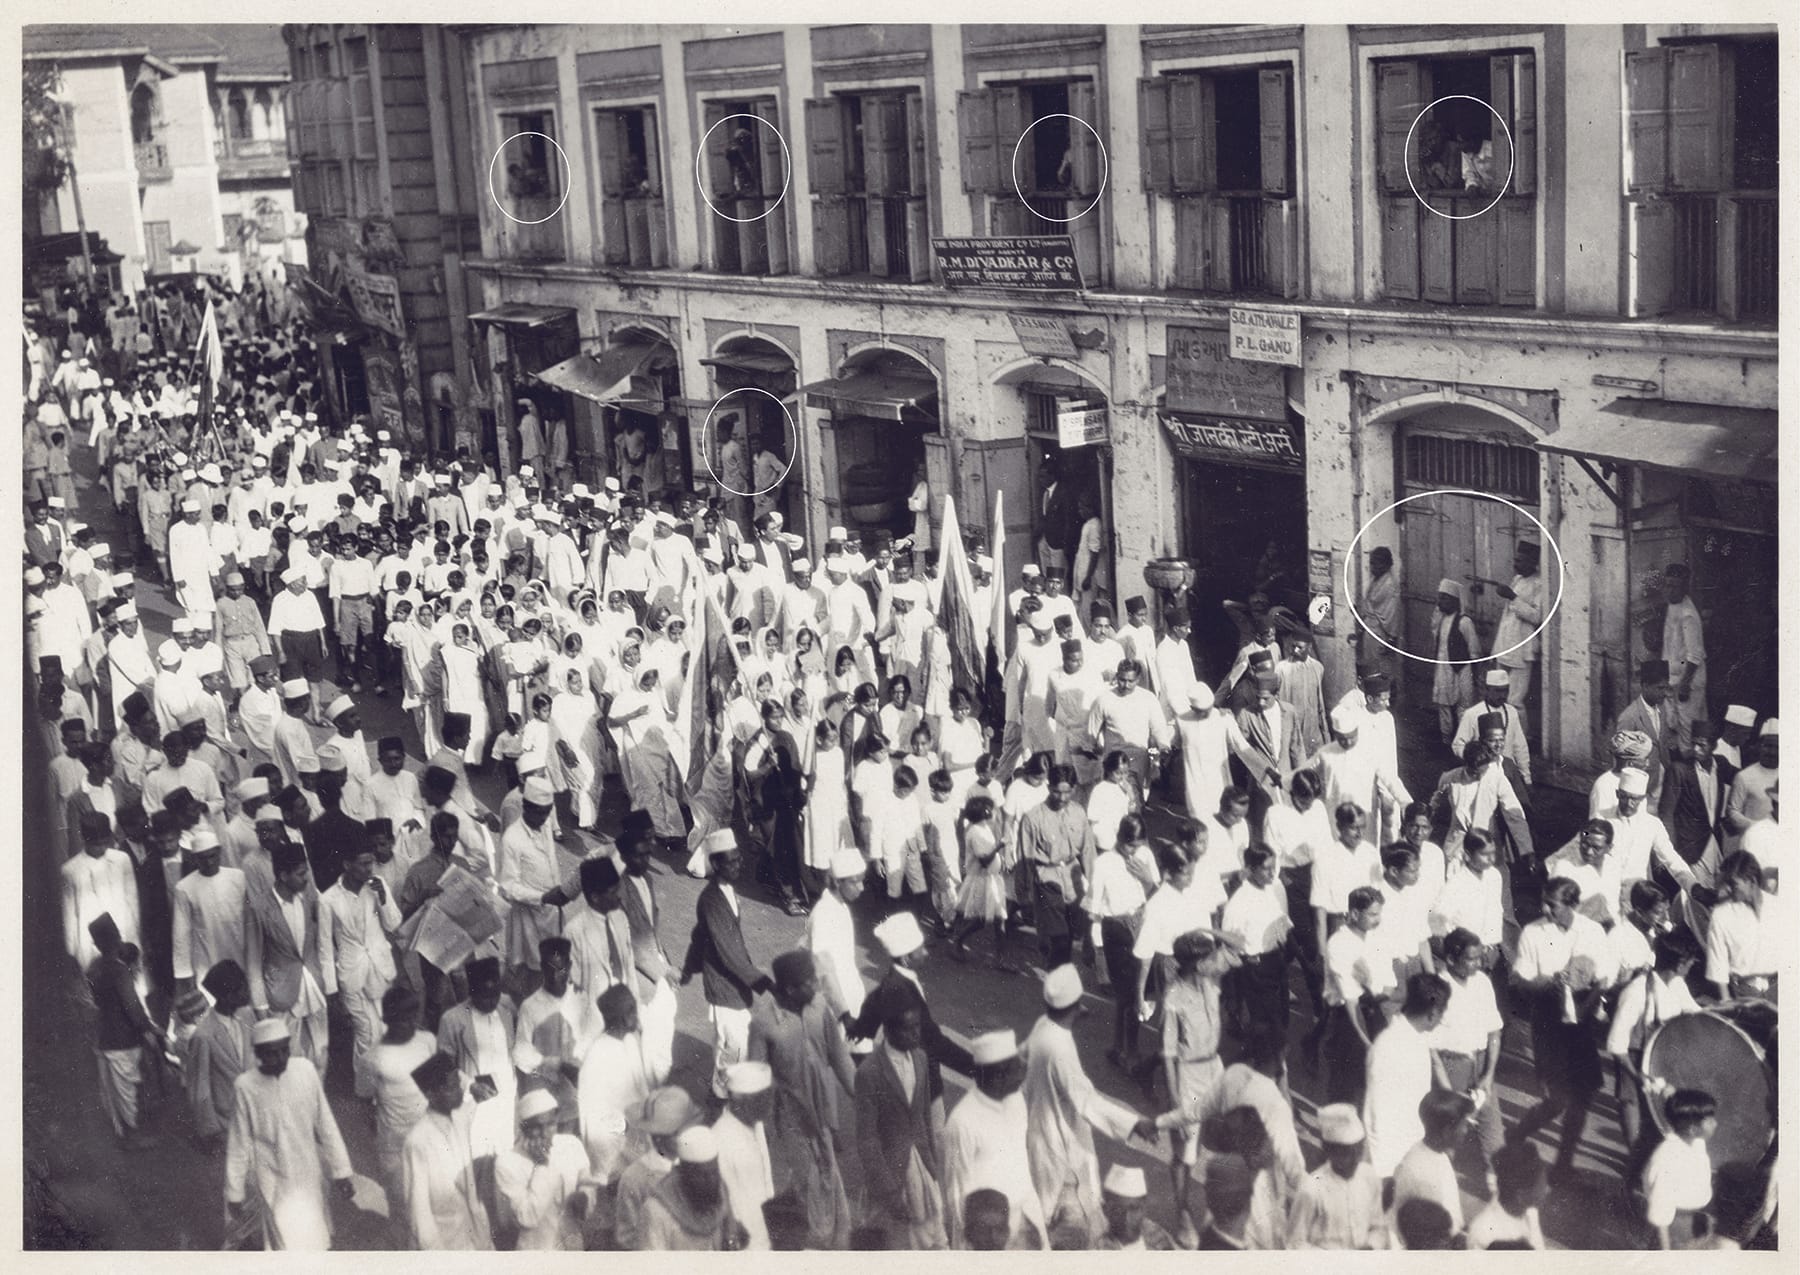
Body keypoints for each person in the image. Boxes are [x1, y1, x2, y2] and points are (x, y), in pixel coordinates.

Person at [1023, 964, 1156, 1246]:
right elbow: (1085, 1099)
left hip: (1042, 1135)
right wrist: (1135, 1123)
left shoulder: (1042, 1027)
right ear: (1075, 1006)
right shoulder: (1058, 1046)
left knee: (1049, 1214)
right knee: (1072, 1221)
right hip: (1059, 1144)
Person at [1510, 876, 1618, 1180]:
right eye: (1544, 902)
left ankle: (1564, 1163)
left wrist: (1586, 1005)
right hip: (1548, 1021)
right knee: (1557, 1099)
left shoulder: (1593, 931)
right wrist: (1549, 983)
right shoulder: (1532, 932)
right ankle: (1518, 1134)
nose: (1545, 909)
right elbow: (1523, 981)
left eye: (1553, 905)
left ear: (1572, 904)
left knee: (1583, 1095)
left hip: (1582, 1022)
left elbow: (1605, 978)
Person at [747, 950, 855, 1248]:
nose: (816, 987)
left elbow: (840, 1058)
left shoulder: (820, 1008)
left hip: (823, 1112)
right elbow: (755, 1076)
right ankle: (812, 1246)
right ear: (790, 989)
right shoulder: (763, 1022)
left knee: (828, 1171)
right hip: (790, 1118)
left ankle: (834, 1240)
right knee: (808, 1178)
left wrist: (864, 1098)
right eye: (809, 983)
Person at [224, 1017, 355, 1251]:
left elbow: (326, 1123)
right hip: (272, 1181)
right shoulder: (245, 1086)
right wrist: (235, 1192)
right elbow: (238, 1144)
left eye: (284, 1050)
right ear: (258, 1054)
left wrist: (341, 1172)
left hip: (308, 1175)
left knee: (316, 1238)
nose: (280, 1058)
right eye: (271, 1053)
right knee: (284, 1243)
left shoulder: (305, 1070)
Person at [681, 830, 771, 1098]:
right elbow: (729, 952)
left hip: (734, 983)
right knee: (734, 1042)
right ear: (716, 865)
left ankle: (721, 1087)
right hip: (723, 984)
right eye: (730, 862)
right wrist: (766, 985)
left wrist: (688, 967)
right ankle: (720, 1093)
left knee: (731, 1041)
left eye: (738, 859)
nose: (738, 865)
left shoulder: (729, 891)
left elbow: (699, 936)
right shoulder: (711, 900)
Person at [942, 1029, 1049, 1249]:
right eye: (1017, 1067)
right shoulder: (962, 1122)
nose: (1023, 1070)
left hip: (1026, 1221)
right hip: (987, 1237)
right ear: (999, 1075)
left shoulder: (1017, 1100)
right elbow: (956, 1194)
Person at [854, 1002, 946, 1250]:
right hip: (890, 1176)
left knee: (931, 1238)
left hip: (922, 1168)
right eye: (908, 1029)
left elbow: (925, 1116)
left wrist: (933, 1168)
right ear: (890, 1031)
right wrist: (889, 1192)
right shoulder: (869, 1072)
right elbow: (867, 1140)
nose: (916, 1033)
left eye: (918, 1026)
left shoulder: (921, 1058)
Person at [318, 842, 401, 1101]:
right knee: (366, 1033)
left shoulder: (377, 887)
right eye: (364, 864)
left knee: (385, 1029)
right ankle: (367, 1091)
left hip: (380, 968)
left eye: (371, 863)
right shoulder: (328, 899)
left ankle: (387, 1088)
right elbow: (324, 947)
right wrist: (331, 991)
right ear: (347, 865)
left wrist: (384, 899)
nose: (369, 868)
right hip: (351, 975)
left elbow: (394, 924)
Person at [243, 839, 331, 1073]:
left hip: (314, 986)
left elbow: (321, 941)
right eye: (301, 874)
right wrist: (260, 1008)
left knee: (321, 1053)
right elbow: (253, 962)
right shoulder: (258, 907)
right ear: (283, 875)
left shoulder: (310, 897)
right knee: (290, 1059)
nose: (307, 879)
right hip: (281, 995)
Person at [402, 1049, 494, 1250]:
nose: (461, 1091)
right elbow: (420, 1212)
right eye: (452, 1087)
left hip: (474, 1235)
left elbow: (480, 1097)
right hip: (442, 1243)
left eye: (459, 1085)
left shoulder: (460, 1118)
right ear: (431, 1095)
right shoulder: (417, 1141)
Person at [1364, 971, 1451, 1182]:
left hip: (1412, 1151)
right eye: (1442, 1014)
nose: (1442, 1020)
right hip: (1390, 1164)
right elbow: (1376, 1114)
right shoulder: (1388, 1047)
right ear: (1432, 1014)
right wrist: (1385, 1173)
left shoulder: (1416, 1038)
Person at [85, 918, 163, 1150]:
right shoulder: (119, 970)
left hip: (104, 1035)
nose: (117, 940)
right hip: (123, 1038)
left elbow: (97, 1002)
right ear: (114, 939)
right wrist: (149, 1029)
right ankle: (132, 1136)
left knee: (115, 1090)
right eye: (114, 936)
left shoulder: (94, 967)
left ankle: (125, 1132)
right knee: (126, 1089)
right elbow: (132, 1007)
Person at [367, 985, 438, 1217]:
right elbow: (365, 1099)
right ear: (386, 1019)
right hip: (394, 1144)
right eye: (401, 1020)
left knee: (433, 1200)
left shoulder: (426, 1041)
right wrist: (378, 1134)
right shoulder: (373, 1057)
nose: (408, 1025)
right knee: (402, 1206)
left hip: (428, 1137)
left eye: (412, 1018)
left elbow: (439, 1077)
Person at [494, 1087, 592, 1250]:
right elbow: (527, 1218)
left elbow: (587, 1186)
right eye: (537, 1127)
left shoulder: (571, 1145)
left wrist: (584, 1198)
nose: (545, 1133)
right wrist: (542, 1166)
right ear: (524, 1128)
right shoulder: (507, 1162)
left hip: (573, 1249)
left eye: (551, 1124)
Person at [1286, 1102, 1386, 1249]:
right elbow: (1295, 1242)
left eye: (1358, 1150)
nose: (1355, 1159)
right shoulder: (1312, 1188)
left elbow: (1378, 1227)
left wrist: (1371, 1245)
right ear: (1328, 1151)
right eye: (1346, 1152)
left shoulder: (1369, 1176)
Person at [613, 1086, 700, 1251]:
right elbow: (626, 1236)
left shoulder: (696, 1163)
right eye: (676, 1133)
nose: (684, 1138)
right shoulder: (635, 1178)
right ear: (658, 1137)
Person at [184, 960, 257, 1149]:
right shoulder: (203, 1036)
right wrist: (210, 1130)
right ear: (226, 996)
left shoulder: (247, 1017)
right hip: (227, 1120)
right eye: (242, 988)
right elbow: (200, 1087)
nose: (247, 992)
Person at [638, 1125, 747, 1250]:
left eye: (714, 1172)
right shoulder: (655, 1211)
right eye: (702, 1175)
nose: (710, 1180)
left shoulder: (720, 1191)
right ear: (683, 1172)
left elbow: (732, 1237)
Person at [1390, 1088, 1473, 1240]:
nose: (1466, 1131)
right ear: (1447, 1131)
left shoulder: (1439, 1155)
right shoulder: (1418, 1172)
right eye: (1464, 1125)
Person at [1643, 1088, 1718, 1248]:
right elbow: (1660, 1214)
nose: (1715, 1123)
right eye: (1710, 1120)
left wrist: (1670, 1095)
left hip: (1696, 1219)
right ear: (1692, 1128)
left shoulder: (1695, 1142)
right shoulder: (1667, 1158)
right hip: (1674, 1228)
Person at [1430, 580, 1481, 744]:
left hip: (1462, 668)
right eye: (1439, 598)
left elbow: (1474, 650)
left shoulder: (1464, 622)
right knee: (1444, 704)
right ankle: (1446, 739)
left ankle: (1464, 741)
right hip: (1443, 667)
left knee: (1463, 705)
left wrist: (1475, 673)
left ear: (1455, 601)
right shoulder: (1441, 620)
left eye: (1445, 598)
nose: (1440, 602)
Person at [1095, 1164, 1175, 1249]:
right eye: (1118, 1210)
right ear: (1105, 1210)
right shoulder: (1098, 1250)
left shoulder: (1158, 1237)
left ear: (1144, 1208)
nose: (1127, 1218)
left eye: (1134, 1209)